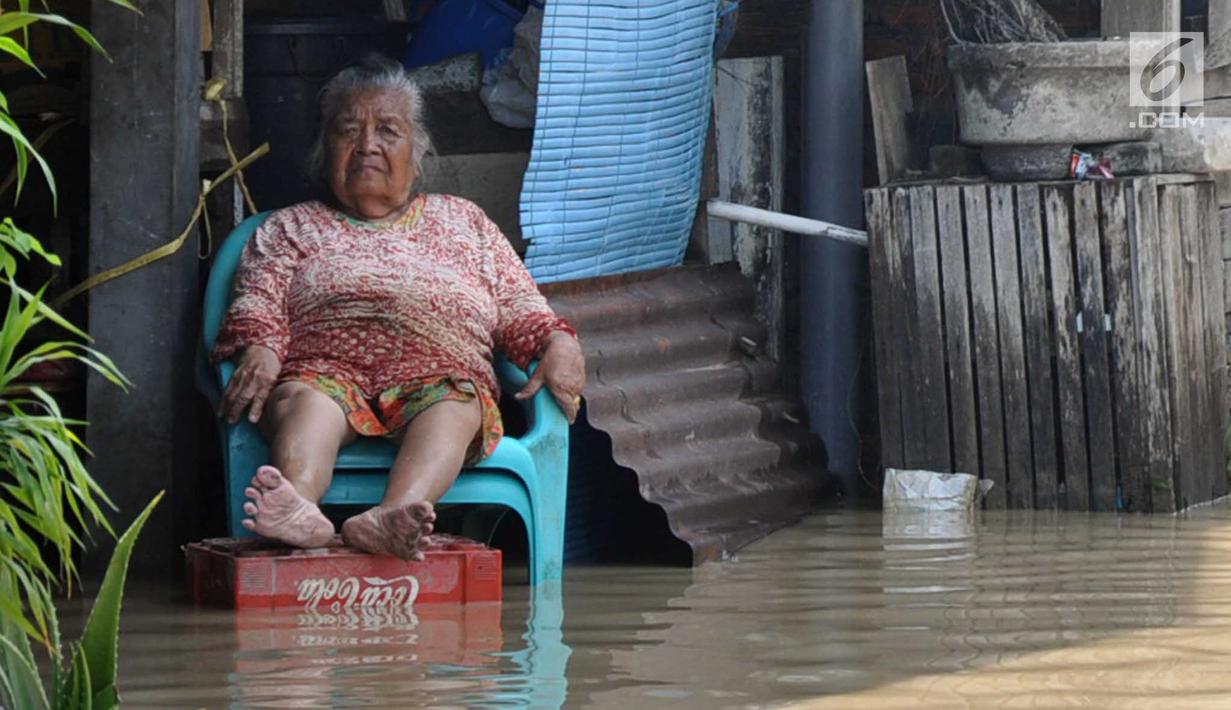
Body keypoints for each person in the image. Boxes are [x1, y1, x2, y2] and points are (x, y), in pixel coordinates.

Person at [212, 55, 585, 561]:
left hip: (439, 377)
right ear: (326, 151)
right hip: (325, 372)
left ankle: (394, 515)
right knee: (307, 404)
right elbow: (258, 297)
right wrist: (263, 346)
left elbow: (520, 306)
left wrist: (558, 340)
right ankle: (295, 507)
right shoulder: (289, 228)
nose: (368, 144)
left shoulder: (465, 223)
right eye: (350, 130)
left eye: (388, 130)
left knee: (456, 402)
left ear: (418, 151)